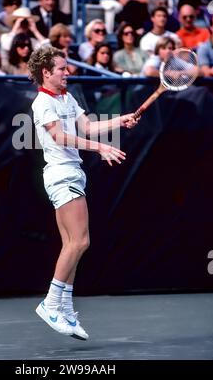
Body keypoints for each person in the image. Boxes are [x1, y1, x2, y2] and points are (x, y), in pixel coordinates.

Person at [28, 46, 139, 339]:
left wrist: (120, 120)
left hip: (71, 173)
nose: (68, 72)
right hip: (61, 174)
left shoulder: (66, 97)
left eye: (68, 68)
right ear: (46, 73)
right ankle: (50, 304)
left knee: (72, 244)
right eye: (62, 69)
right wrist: (101, 148)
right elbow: (60, 136)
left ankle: (64, 307)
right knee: (80, 241)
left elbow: (87, 127)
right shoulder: (42, 103)